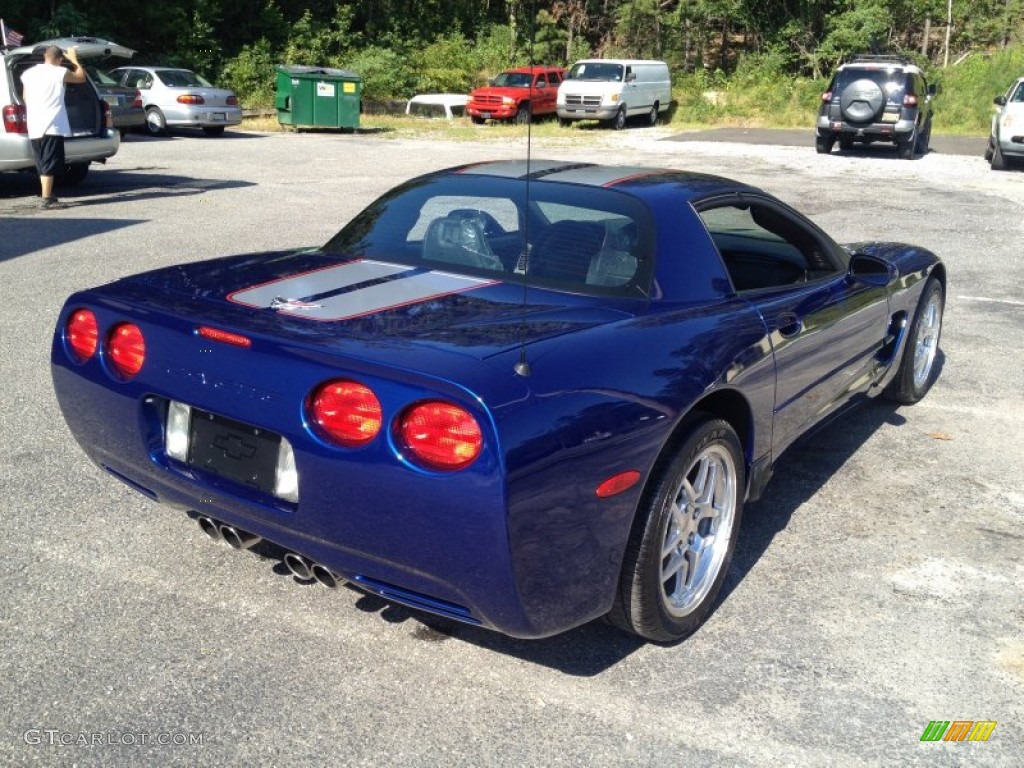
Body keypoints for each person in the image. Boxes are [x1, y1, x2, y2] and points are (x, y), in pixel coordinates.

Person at [20, 45, 86, 209]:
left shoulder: (28, 74)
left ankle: (46, 194)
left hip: (34, 123)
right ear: (59, 59)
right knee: (50, 163)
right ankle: (46, 199)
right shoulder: (59, 72)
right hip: (52, 124)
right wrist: (74, 59)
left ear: (44, 56)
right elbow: (80, 77)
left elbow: (25, 96)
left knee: (42, 163)